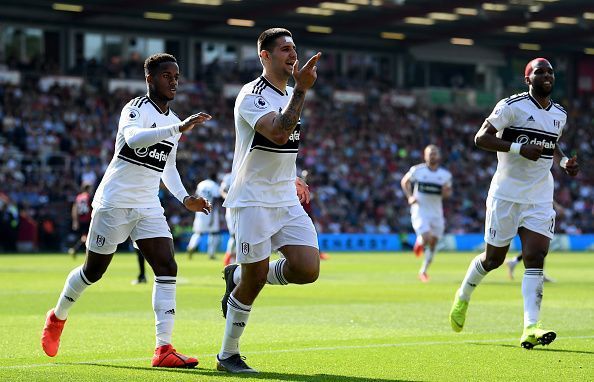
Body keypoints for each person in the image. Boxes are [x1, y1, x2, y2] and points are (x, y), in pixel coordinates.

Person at [41, 53, 213, 368]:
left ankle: (164, 350)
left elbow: (168, 167)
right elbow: (134, 141)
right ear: (150, 79)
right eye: (167, 76)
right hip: (115, 202)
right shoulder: (135, 109)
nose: (173, 81)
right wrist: (178, 128)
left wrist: (185, 198)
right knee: (93, 272)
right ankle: (57, 316)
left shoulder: (172, 121)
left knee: (167, 266)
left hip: (148, 205)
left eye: (176, 76)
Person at [448, 58, 579, 350]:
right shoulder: (511, 106)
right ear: (527, 79)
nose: (546, 76)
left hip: (539, 197)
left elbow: (552, 144)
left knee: (535, 257)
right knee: (493, 260)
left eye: (550, 72)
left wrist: (564, 161)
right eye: (539, 72)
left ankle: (530, 327)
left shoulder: (560, 114)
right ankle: (464, 295)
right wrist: (519, 147)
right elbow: (481, 137)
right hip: (506, 195)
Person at [216, 28, 321, 373]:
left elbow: (283, 144)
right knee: (255, 281)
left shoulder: (291, 92)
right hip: (253, 200)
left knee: (307, 269)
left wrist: (294, 177)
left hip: (284, 197)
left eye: (294, 49)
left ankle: (238, 276)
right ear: (265, 56)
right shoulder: (251, 94)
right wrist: (303, 89)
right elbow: (276, 131)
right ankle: (227, 355)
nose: (293, 55)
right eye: (285, 50)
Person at [400, 145, 452, 282]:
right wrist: (410, 196)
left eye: (435, 153)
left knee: (434, 243)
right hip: (420, 210)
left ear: (439, 156)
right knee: (427, 237)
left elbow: (448, 193)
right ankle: (420, 240)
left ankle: (423, 271)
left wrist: (446, 193)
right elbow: (404, 182)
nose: (432, 156)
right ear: (425, 156)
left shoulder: (445, 175)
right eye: (430, 153)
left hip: (436, 212)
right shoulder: (417, 170)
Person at [187, 173, 221, 260]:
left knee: (198, 232)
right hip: (210, 210)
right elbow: (216, 200)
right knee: (214, 233)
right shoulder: (214, 185)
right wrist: (213, 216)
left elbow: (195, 197)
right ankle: (211, 254)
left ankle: (191, 247)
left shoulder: (201, 184)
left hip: (200, 210)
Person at [68, 184, 92, 258]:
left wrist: (75, 221)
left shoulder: (78, 197)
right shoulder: (89, 197)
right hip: (88, 219)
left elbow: (74, 209)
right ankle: (75, 249)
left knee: (85, 236)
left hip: (80, 219)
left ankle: (80, 250)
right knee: (86, 237)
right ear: (88, 189)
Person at [220, 171, 236, 266]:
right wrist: (228, 197)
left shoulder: (245, 173)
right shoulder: (228, 177)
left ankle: (235, 258)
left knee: (240, 235)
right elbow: (222, 191)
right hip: (231, 209)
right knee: (234, 235)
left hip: (243, 208)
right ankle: (228, 258)